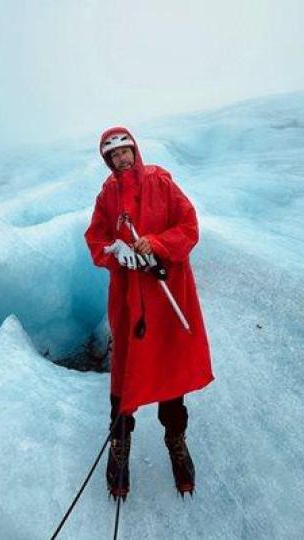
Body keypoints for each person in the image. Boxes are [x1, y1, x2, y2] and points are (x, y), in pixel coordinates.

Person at [84, 127, 214, 500]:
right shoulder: (107, 196)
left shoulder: (160, 182)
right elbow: (95, 239)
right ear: (107, 161)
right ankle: (119, 446)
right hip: (130, 303)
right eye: (114, 156)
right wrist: (115, 251)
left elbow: (188, 227)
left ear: (134, 150)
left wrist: (155, 244)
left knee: (168, 372)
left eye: (125, 151)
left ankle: (176, 440)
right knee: (126, 376)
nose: (121, 159)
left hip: (166, 295)